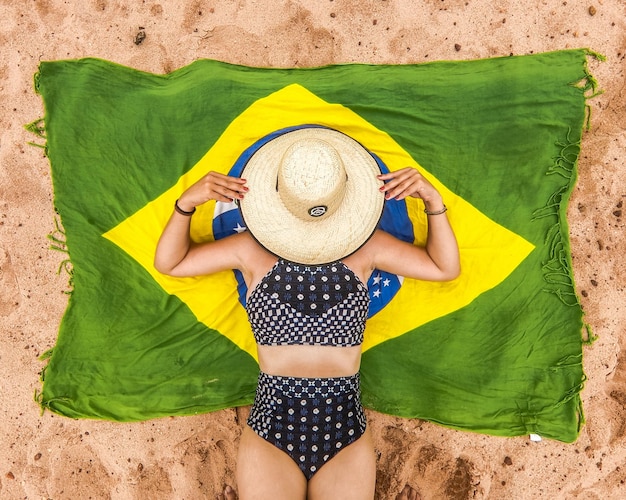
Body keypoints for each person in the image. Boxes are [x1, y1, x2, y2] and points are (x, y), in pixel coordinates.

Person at [154, 127, 460, 499]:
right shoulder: (251, 249)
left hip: (343, 422)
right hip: (273, 422)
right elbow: (171, 262)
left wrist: (432, 199)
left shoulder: (365, 248)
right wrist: (185, 204)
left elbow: (444, 268)